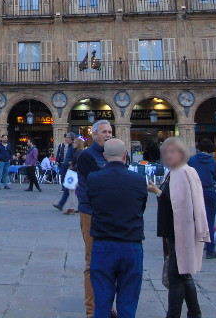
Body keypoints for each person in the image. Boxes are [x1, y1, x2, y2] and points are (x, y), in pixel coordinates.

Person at [148, 137, 209, 318]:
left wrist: (156, 191)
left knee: (176, 275)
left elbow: (178, 202)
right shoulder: (182, 170)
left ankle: (173, 315)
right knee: (183, 273)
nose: (168, 155)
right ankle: (195, 313)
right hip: (177, 228)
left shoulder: (180, 172)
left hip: (179, 228)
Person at [87, 139, 148, 318]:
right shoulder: (139, 180)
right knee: (128, 301)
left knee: (102, 303)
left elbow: (92, 204)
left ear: (104, 156)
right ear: (125, 155)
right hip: (131, 244)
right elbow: (141, 208)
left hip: (103, 244)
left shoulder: (94, 178)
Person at [77, 119, 113, 318]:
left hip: (110, 214)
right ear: (94, 134)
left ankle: (107, 306)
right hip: (91, 213)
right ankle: (92, 311)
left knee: (109, 263)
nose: (108, 135)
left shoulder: (112, 155)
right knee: (93, 263)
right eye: (104, 132)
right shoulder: (87, 156)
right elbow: (99, 184)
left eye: (110, 132)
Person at [188, 138, 216, 259]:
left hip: (195, 191)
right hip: (209, 190)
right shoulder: (213, 161)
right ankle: (210, 250)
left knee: (194, 220)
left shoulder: (192, 160)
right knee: (209, 221)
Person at [54, 132, 76, 211]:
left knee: (75, 189)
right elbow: (59, 154)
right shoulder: (63, 145)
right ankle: (61, 204)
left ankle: (64, 205)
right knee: (67, 187)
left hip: (71, 168)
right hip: (65, 166)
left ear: (70, 138)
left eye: (66, 137)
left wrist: (71, 164)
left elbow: (75, 156)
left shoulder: (73, 146)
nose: (65, 138)